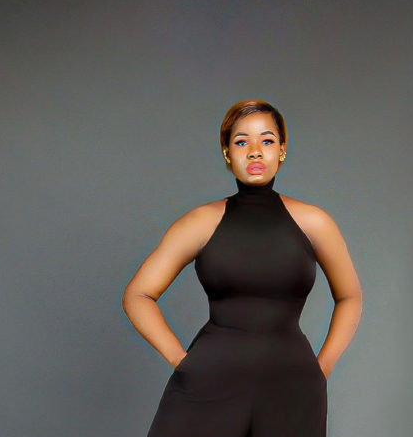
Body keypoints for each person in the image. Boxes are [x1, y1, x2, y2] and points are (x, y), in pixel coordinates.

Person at [122, 99, 363, 437]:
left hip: (292, 388)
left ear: (282, 149)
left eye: (267, 140)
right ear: (227, 152)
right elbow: (137, 295)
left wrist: (322, 368)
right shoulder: (200, 222)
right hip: (208, 384)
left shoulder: (315, 223)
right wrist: (182, 362)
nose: (254, 152)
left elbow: (350, 296)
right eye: (241, 142)